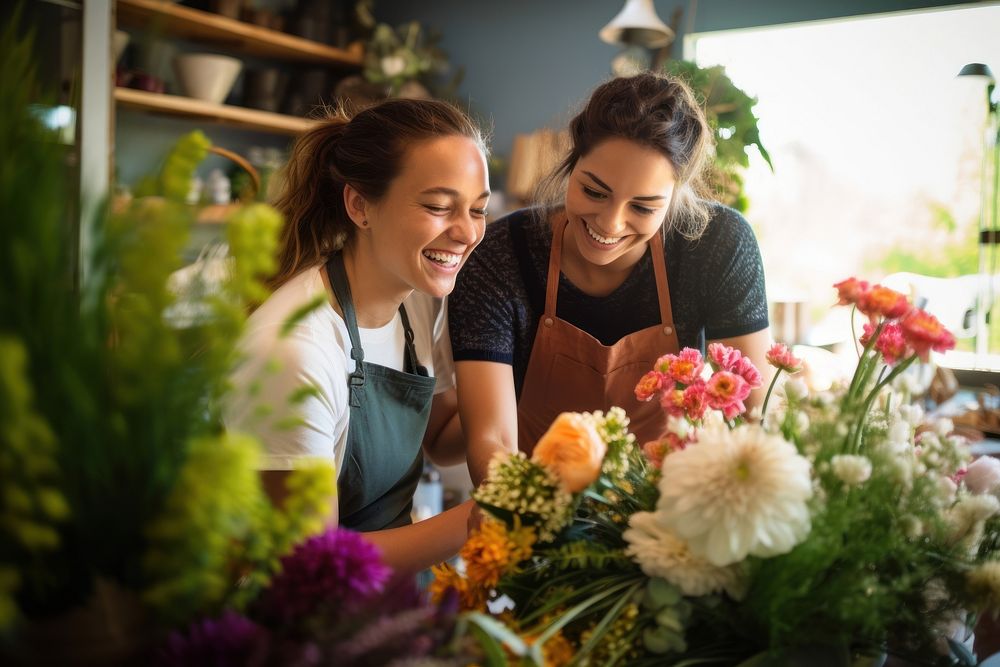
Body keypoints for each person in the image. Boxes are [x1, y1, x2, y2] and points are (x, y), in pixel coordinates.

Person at [448, 72, 772, 484]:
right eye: (595, 192)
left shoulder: (718, 243)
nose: (611, 223)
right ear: (572, 162)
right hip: (537, 514)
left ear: (675, 197)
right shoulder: (499, 254)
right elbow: (491, 438)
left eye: (643, 207)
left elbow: (749, 418)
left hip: (674, 506)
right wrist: (522, 514)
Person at [225, 98, 490, 574]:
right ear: (359, 206)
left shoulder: (420, 299)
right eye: (438, 207)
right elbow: (313, 567)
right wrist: (487, 517)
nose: (467, 232)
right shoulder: (292, 352)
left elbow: (443, 440)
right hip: (314, 621)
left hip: (397, 597)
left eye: (478, 209)